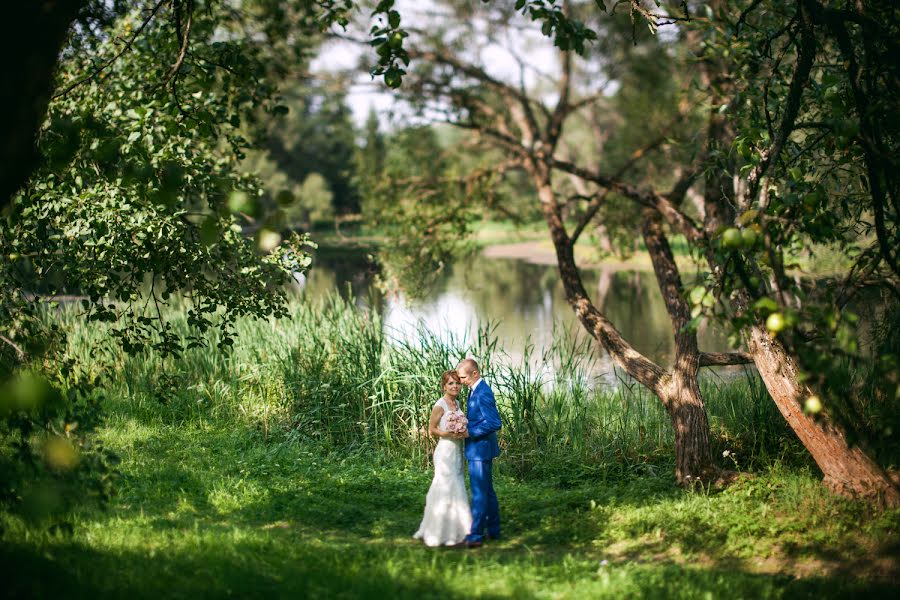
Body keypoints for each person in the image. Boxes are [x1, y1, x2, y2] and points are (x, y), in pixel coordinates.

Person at [413, 370, 472, 547]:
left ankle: (459, 529)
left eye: (457, 383)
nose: (455, 386)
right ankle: (439, 530)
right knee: (445, 485)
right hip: (445, 450)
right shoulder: (440, 405)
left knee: (457, 484)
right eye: (451, 384)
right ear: (444, 386)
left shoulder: (458, 403)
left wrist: (461, 433)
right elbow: (432, 429)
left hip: (457, 451)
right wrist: (448, 433)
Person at [456, 358, 502, 548]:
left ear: (475, 374)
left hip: (480, 450)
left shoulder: (482, 393)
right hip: (482, 449)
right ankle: (494, 530)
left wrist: (469, 431)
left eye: (463, 377)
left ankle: (475, 535)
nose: (461, 381)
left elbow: (494, 423)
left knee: (479, 494)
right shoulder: (476, 390)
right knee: (487, 492)